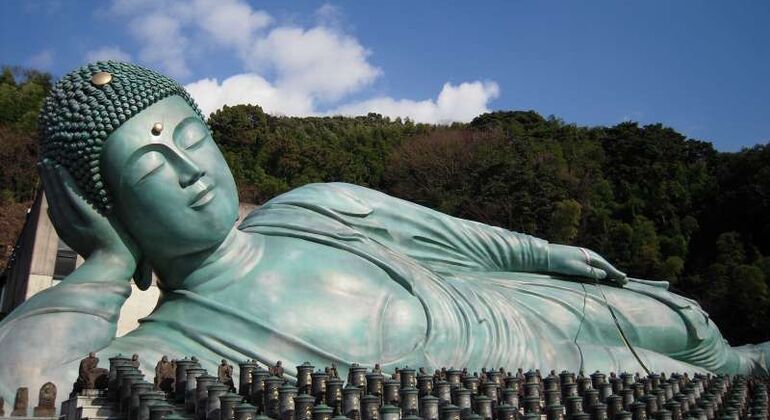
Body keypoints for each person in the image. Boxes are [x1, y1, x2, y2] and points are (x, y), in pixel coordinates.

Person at [0, 62, 767, 406]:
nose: (188, 167)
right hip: (512, 379)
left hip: (513, 304)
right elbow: (26, 387)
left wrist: (547, 253)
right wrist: (100, 264)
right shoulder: (168, 347)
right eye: (148, 165)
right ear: (106, 207)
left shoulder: (314, 206)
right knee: (705, 385)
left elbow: (466, 241)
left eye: (188, 134)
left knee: (691, 326)